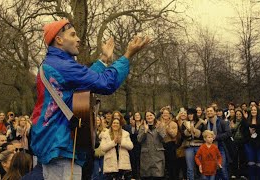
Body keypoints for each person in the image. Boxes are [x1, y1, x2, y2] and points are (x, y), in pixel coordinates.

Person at [29, 18, 149, 180]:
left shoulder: (55, 64)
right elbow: (106, 83)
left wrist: (103, 59)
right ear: (59, 40)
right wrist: (127, 56)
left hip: (56, 144)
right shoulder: (63, 66)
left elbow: (82, 83)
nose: (78, 39)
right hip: (61, 147)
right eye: (72, 35)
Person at [138, 111, 166, 179]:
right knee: (147, 176)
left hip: (157, 155)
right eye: (147, 116)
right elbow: (139, 140)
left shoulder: (160, 126)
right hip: (146, 156)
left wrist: (159, 129)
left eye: (151, 115)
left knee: (158, 175)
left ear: (154, 116)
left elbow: (164, 138)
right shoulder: (142, 127)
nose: (149, 117)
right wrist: (145, 131)